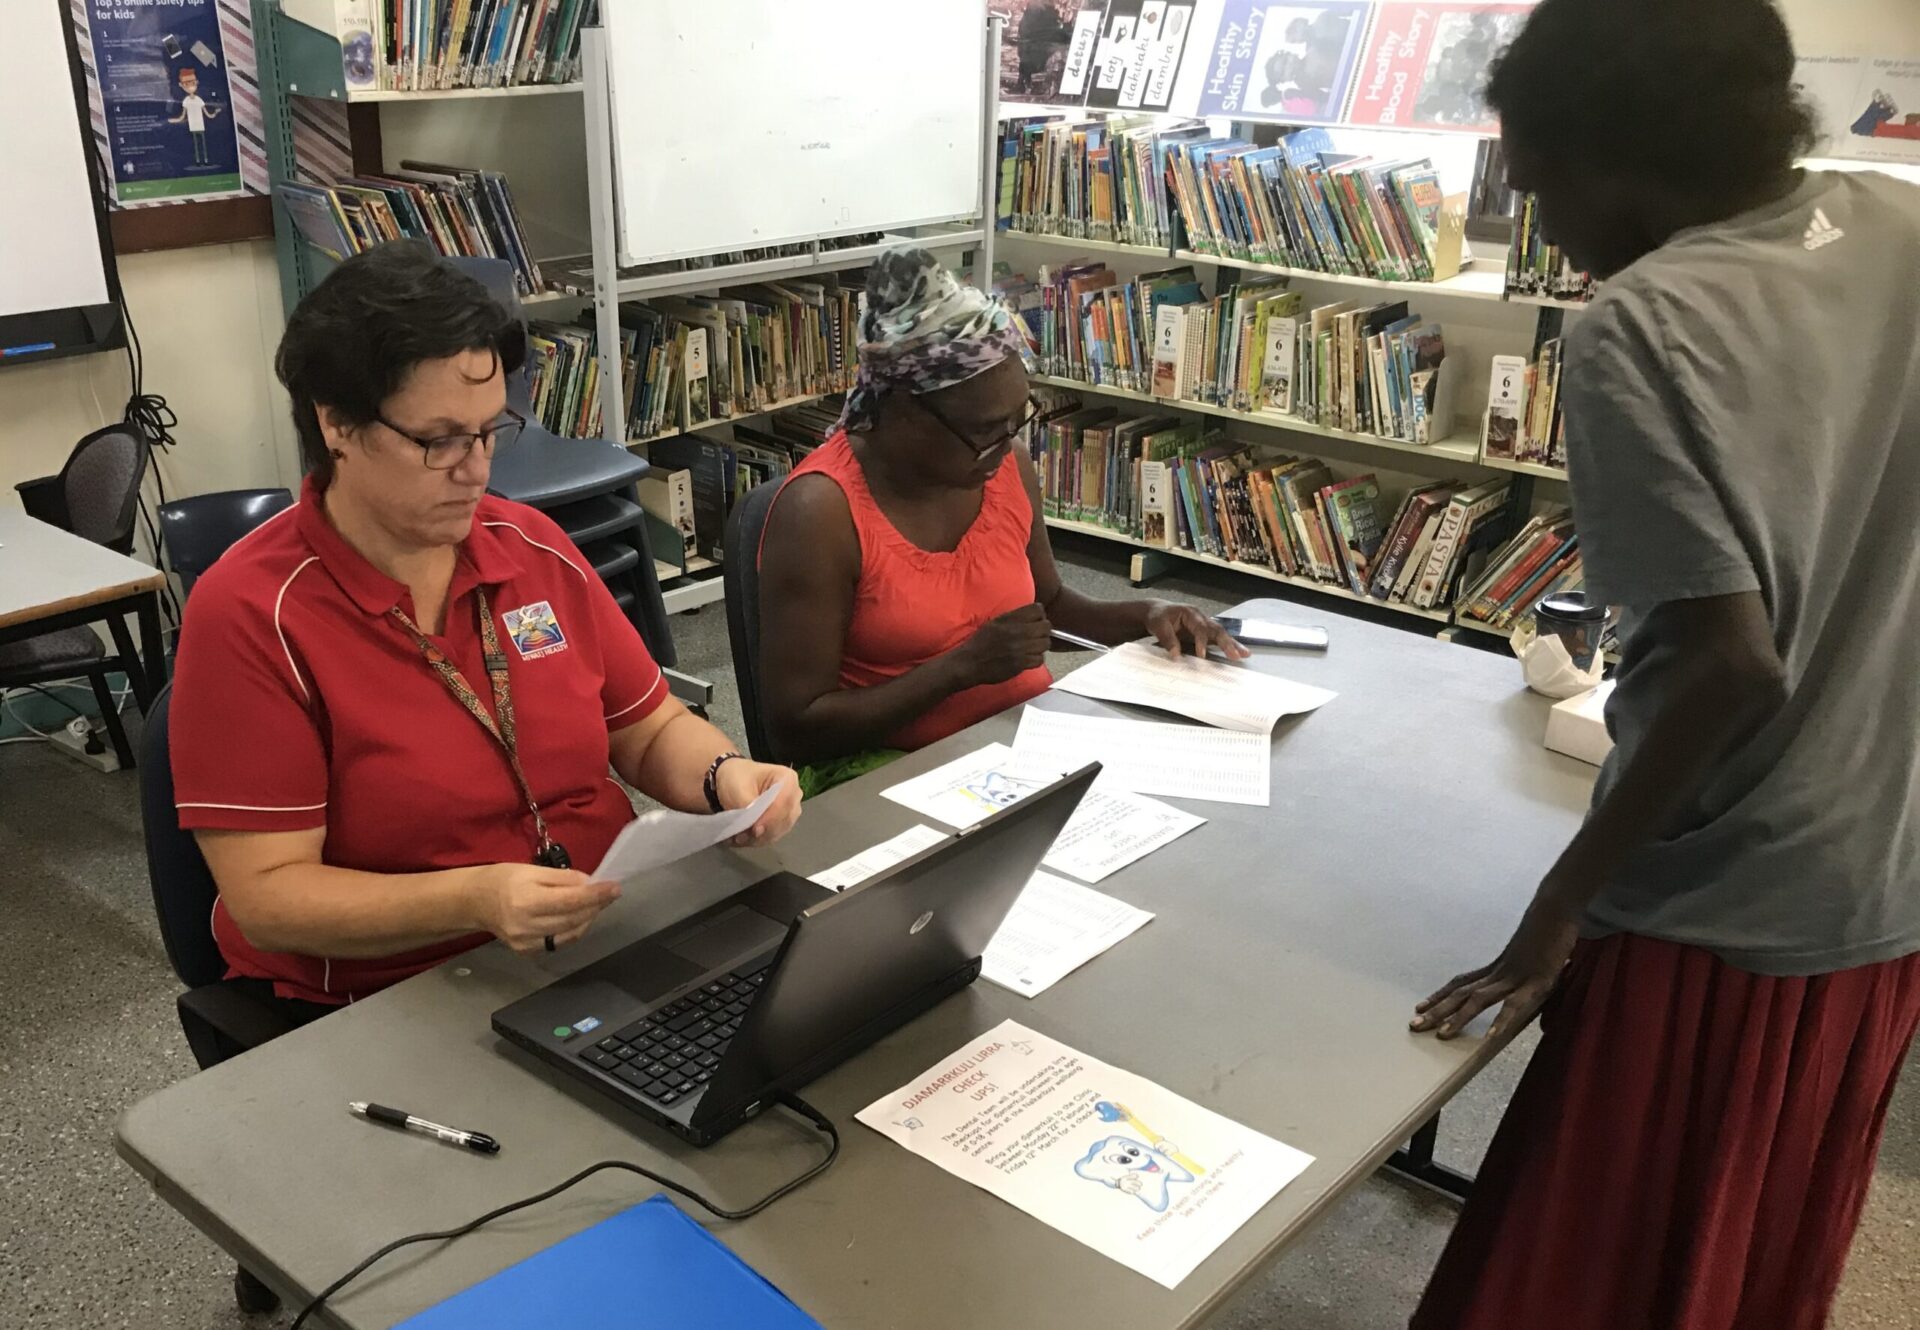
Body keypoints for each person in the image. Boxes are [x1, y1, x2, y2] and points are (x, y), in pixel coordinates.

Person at [1407, 2, 1920, 1328]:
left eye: (1532, 173)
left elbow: (1723, 668)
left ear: (1616, 162)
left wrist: (1559, 906)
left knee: (1578, 1272)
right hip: (1885, 876)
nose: (1528, 203)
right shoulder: (1897, 223)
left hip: (1721, 898)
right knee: (1745, 1254)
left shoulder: (1644, 322)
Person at [169, 241, 801, 1022]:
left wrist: (726, 779)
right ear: (336, 424)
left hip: (601, 934)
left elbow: (648, 728)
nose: (476, 469)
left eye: (488, 430)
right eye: (439, 440)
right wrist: (476, 897)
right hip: (398, 991)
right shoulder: (252, 613)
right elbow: (268, 897)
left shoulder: (529, 547)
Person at [756, 247, 1243, 790]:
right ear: (902, 409)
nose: (1005, 446)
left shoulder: (1004, 463)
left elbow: (1049, 608)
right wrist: (960, 669)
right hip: (889, 775)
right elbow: (795, 731)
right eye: (987, 429)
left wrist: (1148, 612)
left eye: (1018, 421)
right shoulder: (820, 514)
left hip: (1021, 747)